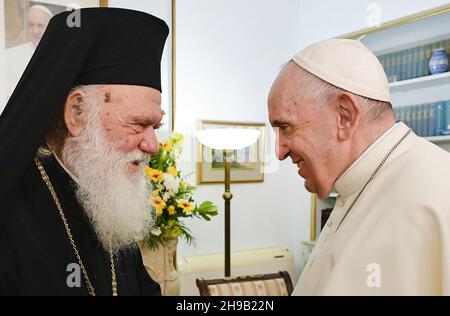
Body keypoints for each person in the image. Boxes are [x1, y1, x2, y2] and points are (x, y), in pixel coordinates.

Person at [0, 8, 169, 296]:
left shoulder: (105, 201)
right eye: (138, 124)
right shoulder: (10, 218)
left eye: (156, 126)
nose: (151, 145)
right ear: (77, 112)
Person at [268, 38, 450, 295]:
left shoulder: (438, 192)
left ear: (345, 115)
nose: (279, 151)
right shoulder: (354, 186)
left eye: (286, 127)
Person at [5, 5, 53, 99]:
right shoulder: (10, 54)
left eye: (40, 25)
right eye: (31, 25)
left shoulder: (62, 54)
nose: (35, 31)